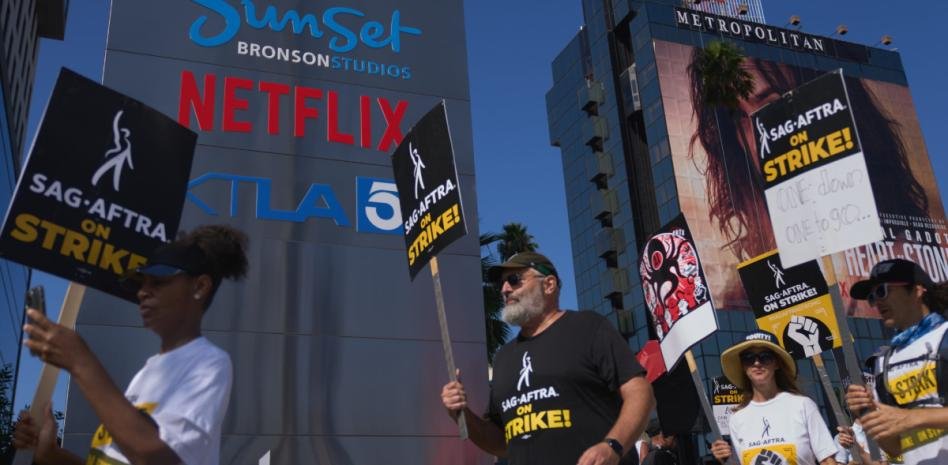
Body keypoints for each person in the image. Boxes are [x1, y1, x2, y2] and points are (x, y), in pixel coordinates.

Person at [12, 224, 249, 465]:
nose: (142, 292)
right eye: (141, 283)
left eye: (158, 282)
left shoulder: (210, 362)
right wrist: (50, 454)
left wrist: (80, 363)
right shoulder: (149, 371)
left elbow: (156, 457)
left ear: (200, 286)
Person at [440, 252, 654, 465]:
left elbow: (640, 392)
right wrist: (462, 413)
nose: (505, 289)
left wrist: (613, 446)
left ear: (549, 285)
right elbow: (502, 442)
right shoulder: (503, 358)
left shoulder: (588, 328)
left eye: (514, 279)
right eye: (501, 284)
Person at [845, 258, 948, 464]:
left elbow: (906, 420)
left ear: (917, 290)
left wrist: (910, 418)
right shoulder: (884, 361)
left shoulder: (944, 337)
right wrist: (867, 411)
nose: (877, 302)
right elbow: (895, 448)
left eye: (882, 291)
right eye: (872, 297)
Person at [709, 331, 837, 465]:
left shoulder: (802, 405)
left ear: (777, 363)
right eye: (748, 358)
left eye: (765, 357)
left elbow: (828, 460)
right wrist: (723, 458)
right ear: (743, 366)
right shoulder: (737, 418)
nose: (757, 363)